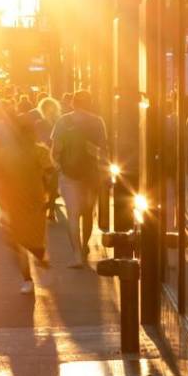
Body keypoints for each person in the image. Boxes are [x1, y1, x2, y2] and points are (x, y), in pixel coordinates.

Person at [0, 113, 54, 293]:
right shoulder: (13, 152)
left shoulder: (38, 151)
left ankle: (36, 267)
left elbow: (50, 173)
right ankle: (29, 276)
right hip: (23, 202)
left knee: (28, 242)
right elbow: (51, 175)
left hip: (32, 202)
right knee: (21, 241)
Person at [51, 90, 109, 267]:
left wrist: (58, 167)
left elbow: (55, 149)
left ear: (72, 103)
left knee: (73, 216)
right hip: (91, 174)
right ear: (90, 103)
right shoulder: (98, 121)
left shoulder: (63, 121)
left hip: (69, 175)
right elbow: (103, 150)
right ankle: (85, 247)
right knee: (88, 213)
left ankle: (76, 255)